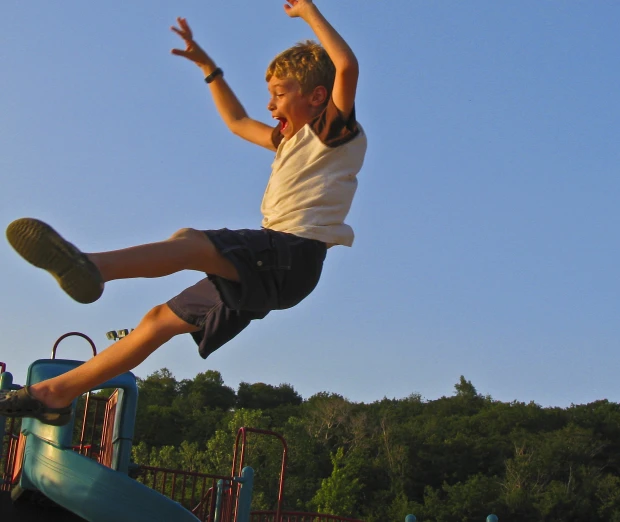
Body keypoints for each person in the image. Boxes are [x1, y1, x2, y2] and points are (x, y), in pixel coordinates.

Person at [0, 0, 366, 426]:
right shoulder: (289, 142)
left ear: (318, 97)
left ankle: (93, 268)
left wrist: (308, 13)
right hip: (273, 268)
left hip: (291, 254)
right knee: (157, 320)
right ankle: (55, 395)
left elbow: (346, 66)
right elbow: (235, 120)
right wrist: (208, 67)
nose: (271, 106)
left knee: (192, 242)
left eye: (280, 95)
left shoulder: (332, 131)